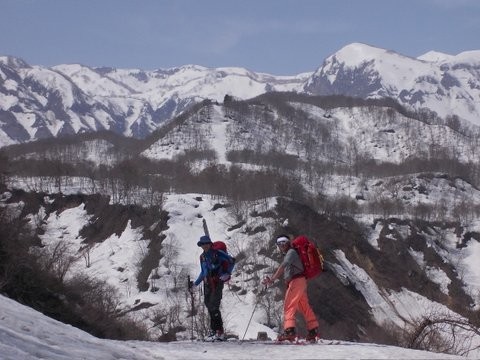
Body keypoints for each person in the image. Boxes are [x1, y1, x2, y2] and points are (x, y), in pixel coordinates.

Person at [262, 234, 319, 342]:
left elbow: (284, 265)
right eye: (279, 243)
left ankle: (289, 331)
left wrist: (272, 279)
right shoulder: (292, 252)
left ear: (288, 242)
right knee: (303, 306)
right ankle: (313, 329)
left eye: (283, 242)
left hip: (296, 281)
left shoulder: (291, 252)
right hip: (300, 281)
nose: (281, 245)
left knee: (289, 306)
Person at [191, 235, 234, 341]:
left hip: (218, 281)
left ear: (210, 244)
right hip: (208, 283)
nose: (204, 246)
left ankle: (219, 332)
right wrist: (195, 284)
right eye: (202, 244)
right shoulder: (202, 257)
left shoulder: (218, 253)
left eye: (206, 243)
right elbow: (203, 272)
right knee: (208, 305)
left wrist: (227, 273)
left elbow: (231, 261)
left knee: (214, 306)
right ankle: (214, 331)